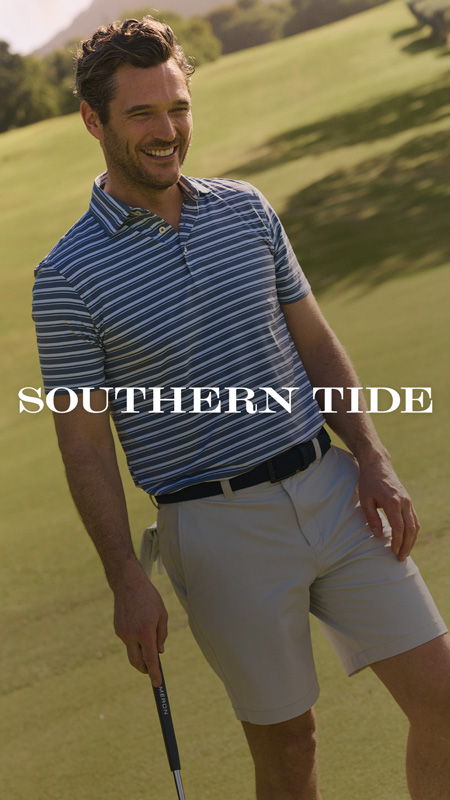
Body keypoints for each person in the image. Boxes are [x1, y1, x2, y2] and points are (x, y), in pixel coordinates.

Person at [32, 17, 449, 800]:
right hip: (216, 530)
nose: (168, 132)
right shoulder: (66, 278)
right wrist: (126, 575)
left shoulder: (246, 211)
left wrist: (375, 458)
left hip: (333, 492)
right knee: (290, 749)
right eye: (143, 114)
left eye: (178, 107)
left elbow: (318, 347)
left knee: (446, 702)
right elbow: (84, 445)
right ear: (94, 120)